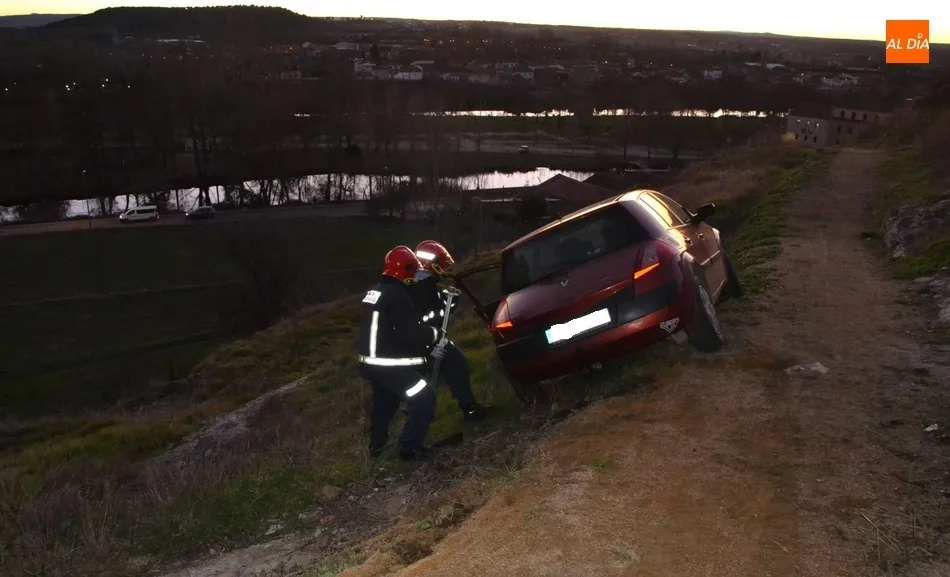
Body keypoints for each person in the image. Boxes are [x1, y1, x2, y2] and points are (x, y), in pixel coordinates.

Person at [357, 245, 449, 461]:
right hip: (390, 365)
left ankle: (376, 446)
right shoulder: (398, 296)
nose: (415, 276)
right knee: (424, 397)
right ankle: (410, 448)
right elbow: (412, 334)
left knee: (385, 402)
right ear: (405, 270)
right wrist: (435, 334)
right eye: (413, 271)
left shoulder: (376, 291)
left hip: (370, 364)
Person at [409, 240, 488, 423]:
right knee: (456, 364)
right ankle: (468, 409)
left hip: (421, 340)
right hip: (427, 341)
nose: (443, 269)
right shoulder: (425, 285)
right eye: (442, 265)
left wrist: (446, 298)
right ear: (433, 264)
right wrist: (450, 301)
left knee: (448, 368)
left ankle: (465, 407)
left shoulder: (416, 282)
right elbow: (436, 315)